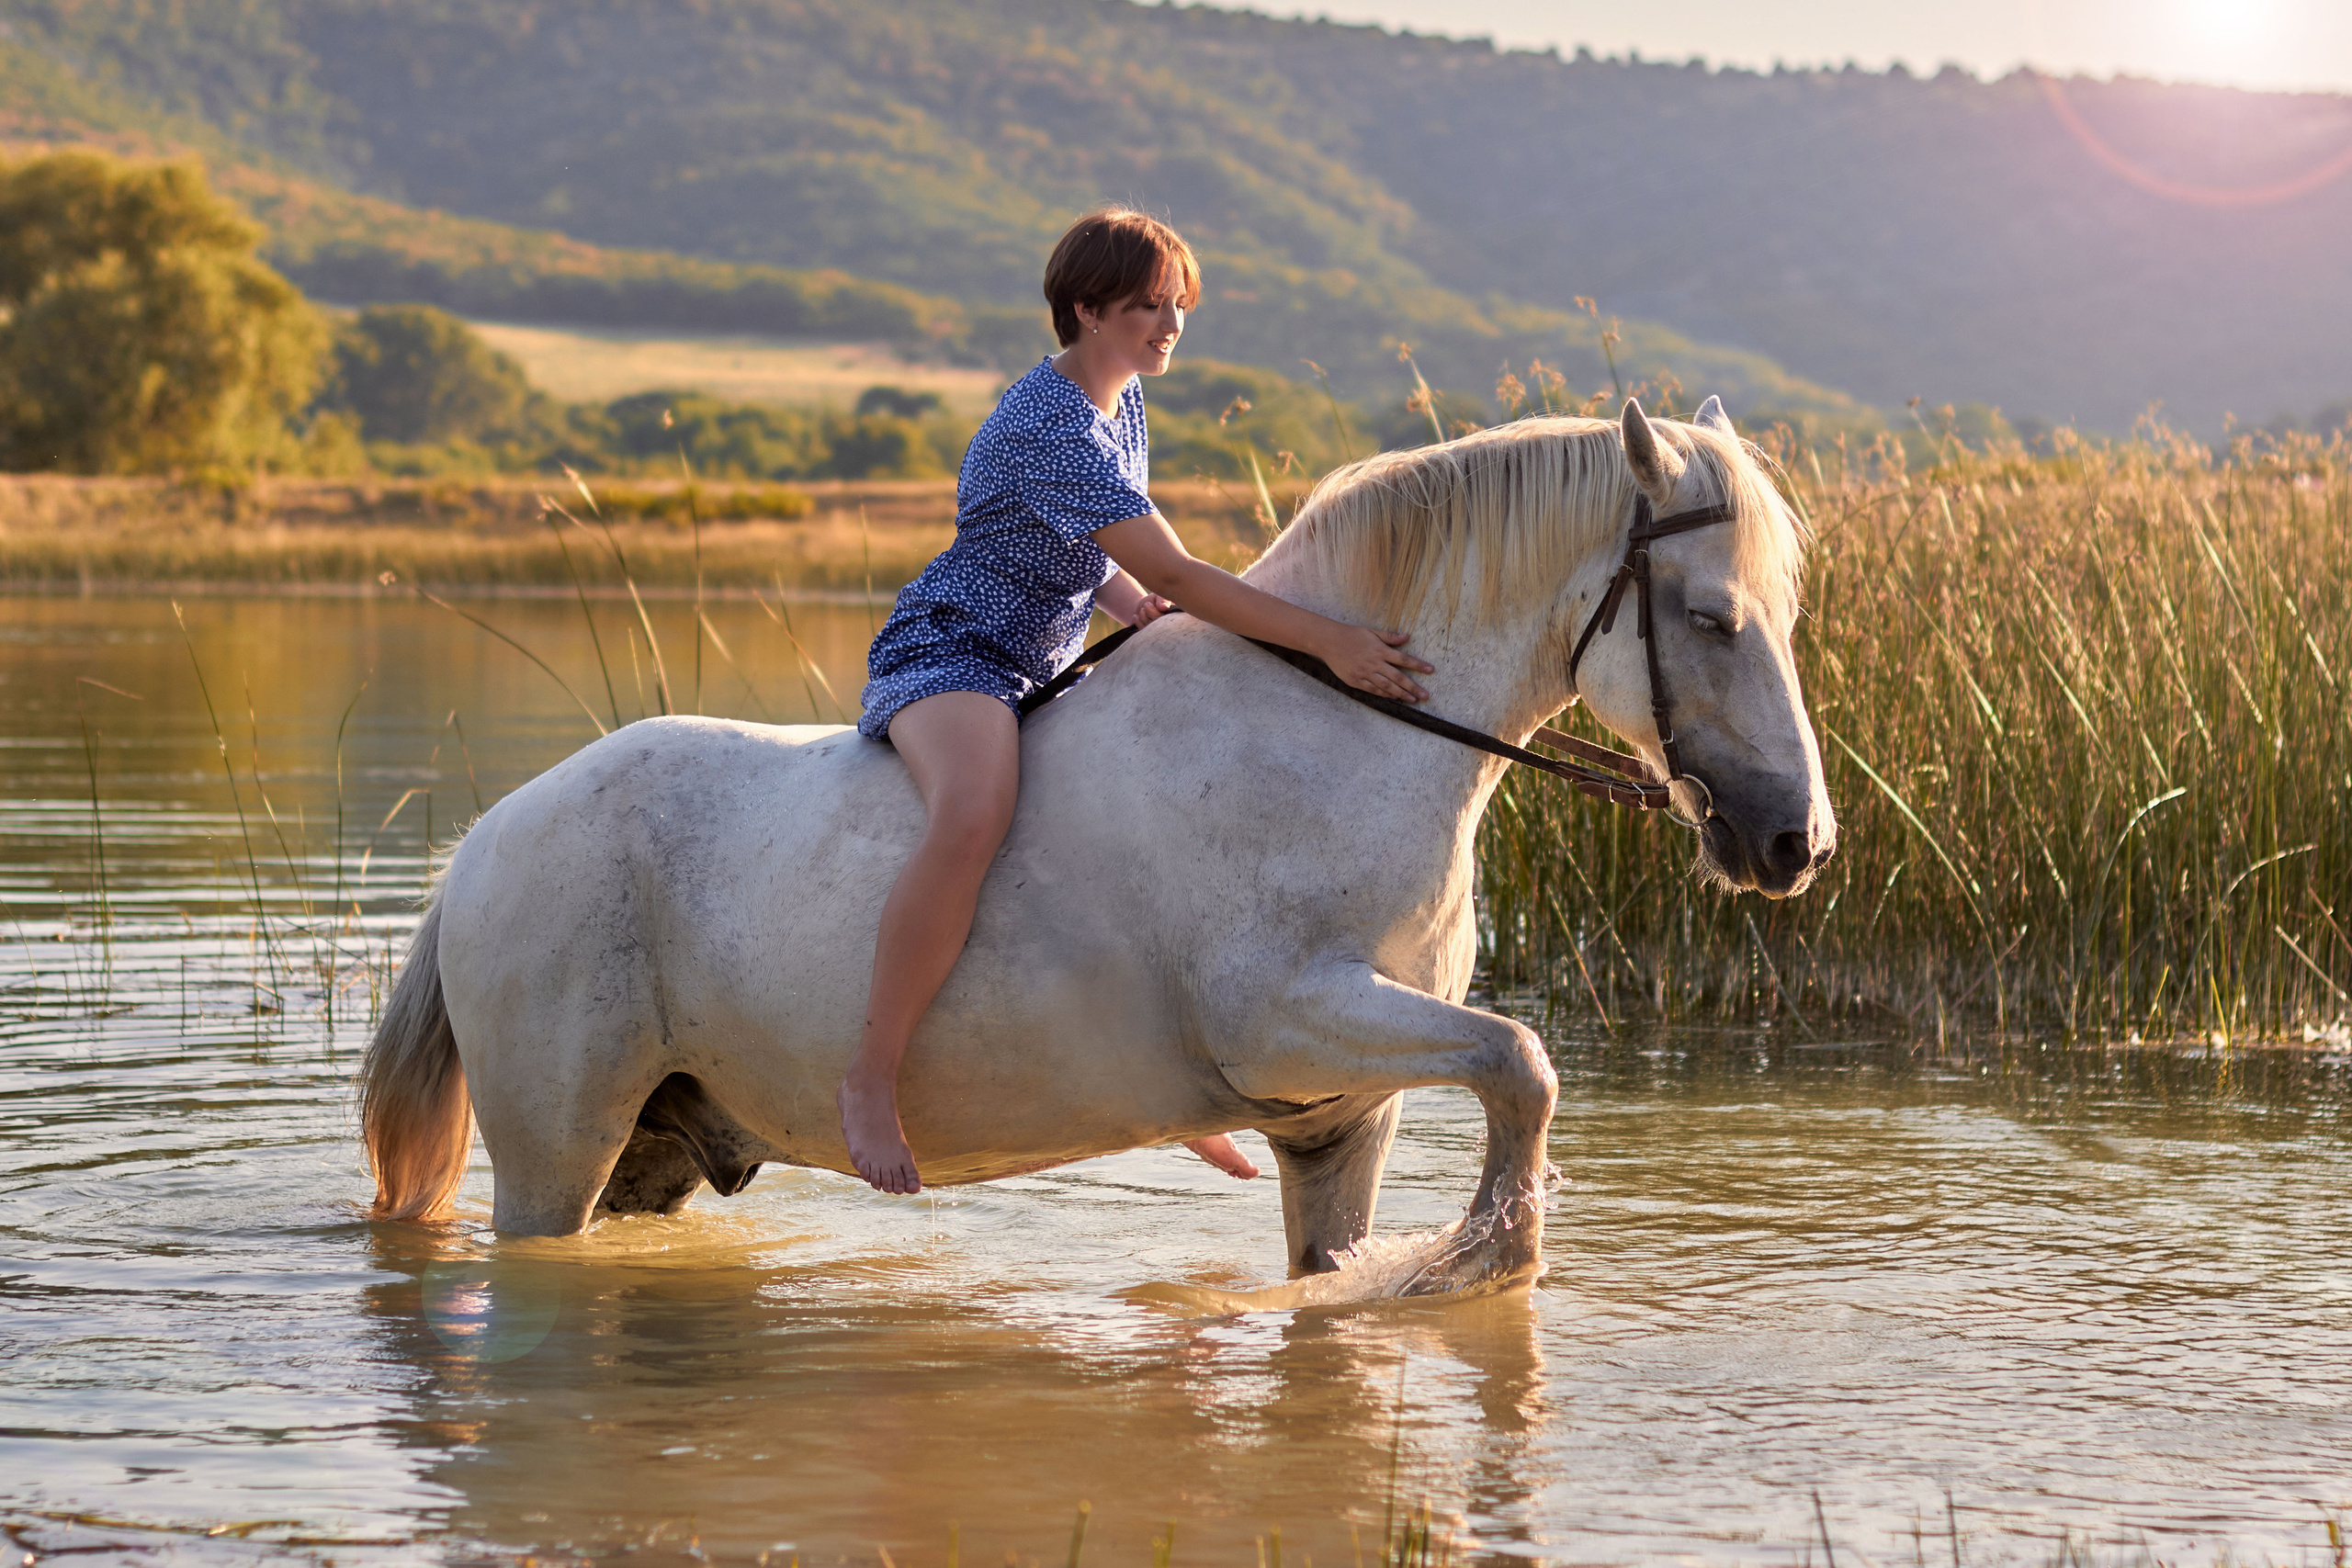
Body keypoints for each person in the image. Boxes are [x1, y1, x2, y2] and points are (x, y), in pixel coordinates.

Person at [838, 209, 1435, 1195]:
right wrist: (1333, 642)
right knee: (974, 814)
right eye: (1144, 307)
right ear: (1086, 309)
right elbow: (1181, 571)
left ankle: (1155, 1077)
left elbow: (1093, 556)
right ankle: (870, 1074)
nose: (1168, 325)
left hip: (1049, 656)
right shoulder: (1051, 423)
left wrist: (1132, 605)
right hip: (960, 654)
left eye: (1175, 306)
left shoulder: (1118, 403)